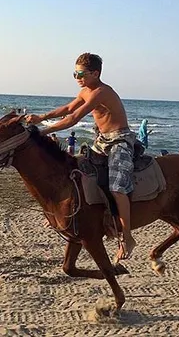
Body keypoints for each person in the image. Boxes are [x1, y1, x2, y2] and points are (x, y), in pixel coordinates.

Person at [26, 52, 136, 261]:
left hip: (120, 140)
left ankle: (127, 236)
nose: (76, 78)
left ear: (95, 73)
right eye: (74, 73)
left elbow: (74, 118)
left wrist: (42, 132)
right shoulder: (86, 90)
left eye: (80, 74)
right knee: (75, 172)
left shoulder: (101, 92)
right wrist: (42, 117)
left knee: (117, 187)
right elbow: (68, 108)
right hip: (102, 140)